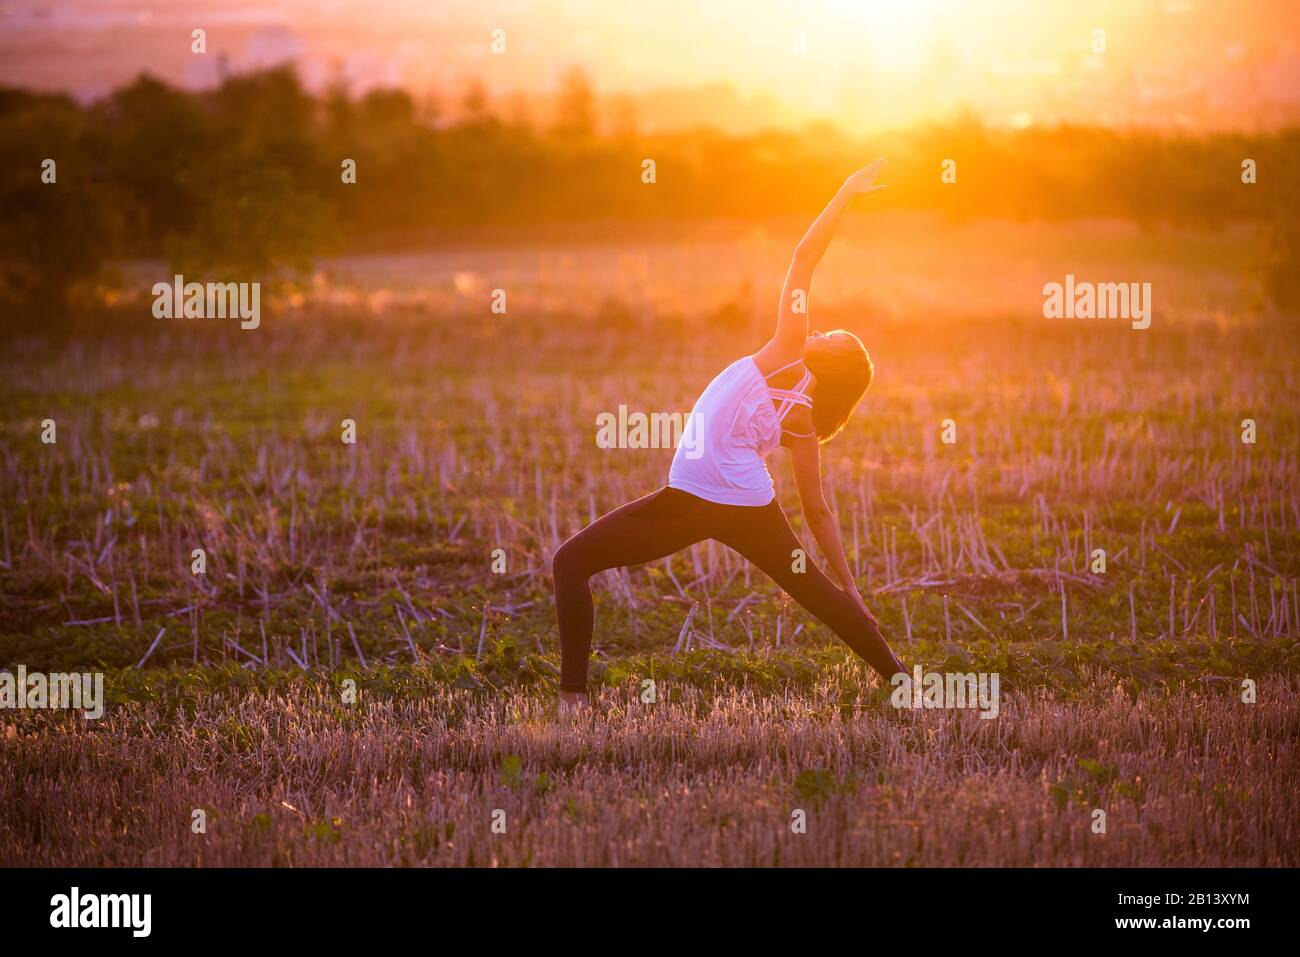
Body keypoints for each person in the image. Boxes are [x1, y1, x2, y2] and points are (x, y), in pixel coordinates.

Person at [552, 159, 905, 709]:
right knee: (823, 599)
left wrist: (843, 192)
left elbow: (803, 258)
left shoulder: (790, 348)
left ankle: (572, 698)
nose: (825, 326)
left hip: (695, 500)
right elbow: (818, 511)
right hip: (740, 504)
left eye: (835, 334)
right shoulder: (807, 425)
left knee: (569, 563)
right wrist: (848, 586)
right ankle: (902, 682)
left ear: (833, 357)